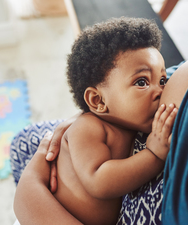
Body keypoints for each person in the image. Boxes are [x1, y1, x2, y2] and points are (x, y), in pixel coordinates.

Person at [14, 17, 178, 225]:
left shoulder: (128, 122)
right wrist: (153, 155)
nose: (160, 91)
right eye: (142, 82)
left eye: (163, 80)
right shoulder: (88, 127)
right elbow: (99, 180)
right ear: (98, 100)